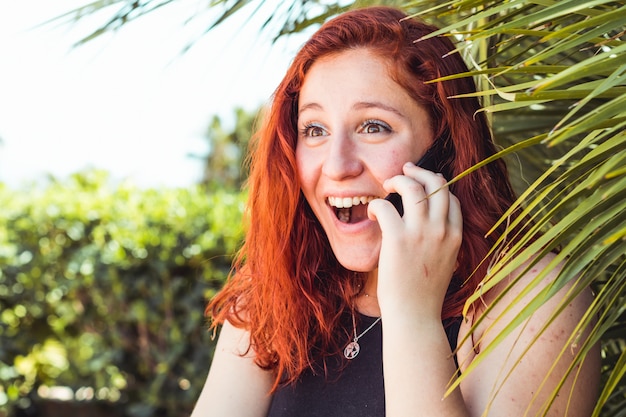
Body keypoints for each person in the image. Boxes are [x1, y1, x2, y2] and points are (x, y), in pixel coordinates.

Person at [191, 6, 599, 417]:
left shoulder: (533, 299)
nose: (336, 166)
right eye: (315, 130)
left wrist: (413, 317)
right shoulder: (275, 290)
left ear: (445, 147)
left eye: (374, 126)